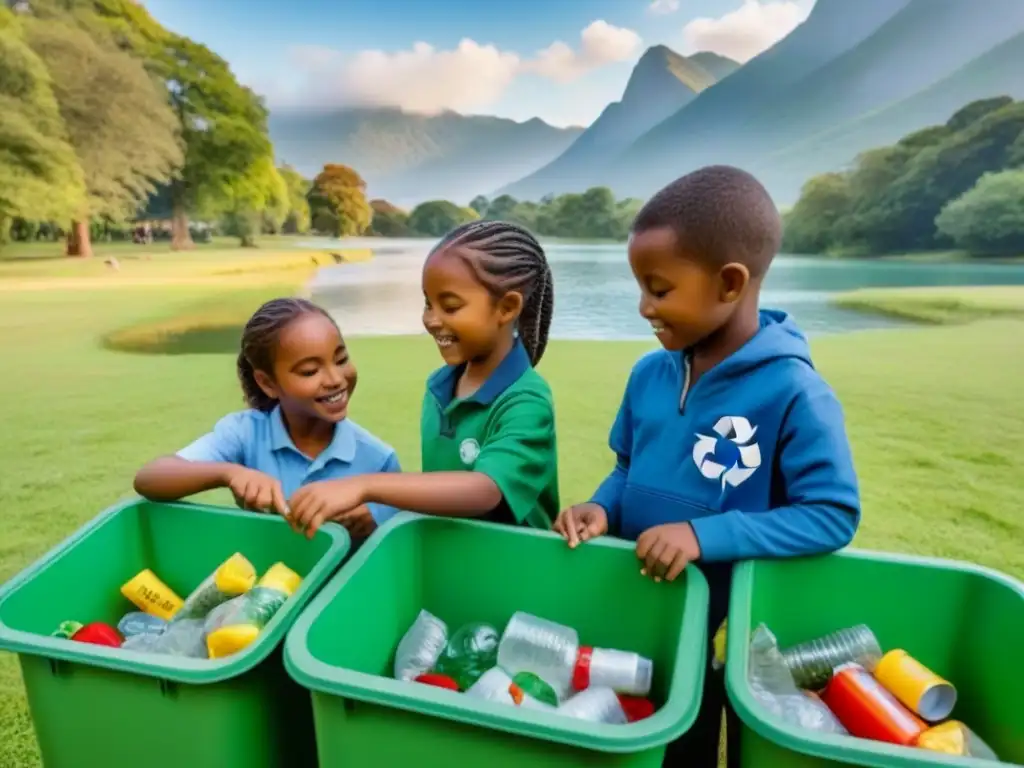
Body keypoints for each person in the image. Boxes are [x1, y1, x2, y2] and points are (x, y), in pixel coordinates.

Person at [552, 165, 861, 767]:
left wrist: (701, 535)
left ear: (729, 283)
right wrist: (600, 506)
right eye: (639, 287)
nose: (643, 307)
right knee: (621, 736)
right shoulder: (648, 374)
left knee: (689, 751)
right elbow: (626, 469)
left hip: (721, 634)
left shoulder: (795, 393)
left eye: (659, 289)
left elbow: (831, 515)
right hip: (634, 610)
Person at [288, 220, 560, 537]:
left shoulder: (525, 400)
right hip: (450, 563)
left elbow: (484, 490)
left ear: (507, 307)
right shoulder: (440, 387)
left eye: (450, 306)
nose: (431, 320)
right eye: (428, 303)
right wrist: (378, 513)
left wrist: (366, 486)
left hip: (516, 574)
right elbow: (445, 492)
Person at [134, 297, 401, 540]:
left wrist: (373, 520)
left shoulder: (378, 460)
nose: (335, 379)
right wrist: (229, 474)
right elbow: (150, 478)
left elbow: (400, 542)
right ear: (267, 383)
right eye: (310, 371)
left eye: (341, 360)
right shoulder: (244, 434)